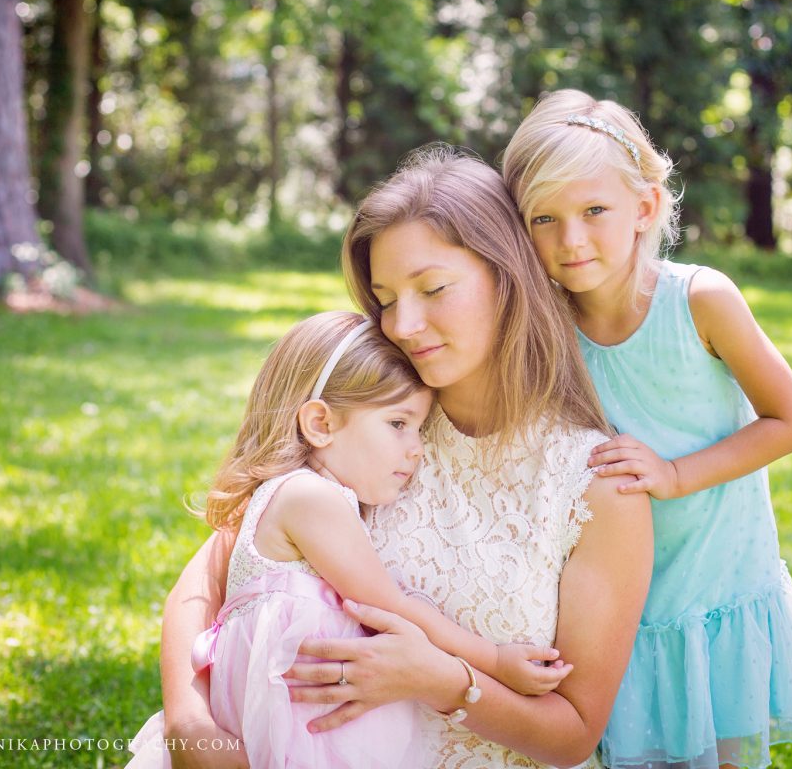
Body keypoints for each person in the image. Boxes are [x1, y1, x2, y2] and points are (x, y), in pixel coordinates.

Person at [155, 146, 654, 768]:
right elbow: (212, 569)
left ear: (508, 278)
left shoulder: (595, 486)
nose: (403, 324)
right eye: (386, 297)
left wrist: (445, 683)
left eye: (434, 288)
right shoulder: (370, 424)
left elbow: (574, 732)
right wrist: (188, 719)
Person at [500, 88, 792, 769]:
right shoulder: (547, 333)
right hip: (617, 596)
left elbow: (790, 420)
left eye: (595, 210)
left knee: (723, 754)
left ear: (646, 207)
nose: (572, 240)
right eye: (545, 219)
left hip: (716, 579)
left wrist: (675, 473)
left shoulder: (700, 300)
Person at [127, 311, 575, 769]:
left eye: (420, 428)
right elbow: (392, 606)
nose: (417, 447)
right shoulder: (309, 499)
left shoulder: (291, 493)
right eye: (398, 424)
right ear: (320, 424)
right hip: (301, 730)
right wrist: (495, 661)